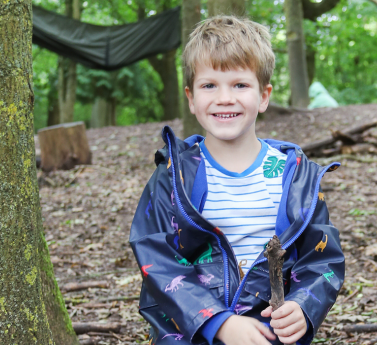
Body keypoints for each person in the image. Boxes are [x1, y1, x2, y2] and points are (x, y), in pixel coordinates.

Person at [129, 16, 345, 345]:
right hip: (193, 333)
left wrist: (304, 306)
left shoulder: (294, 174)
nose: (225, 98)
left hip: (269, 334)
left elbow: (323, 257)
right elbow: (156, 256)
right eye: (209, 85)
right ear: (191, 98)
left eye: (240, 85)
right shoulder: (174, 176)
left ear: (264, 96)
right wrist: (218, 322)